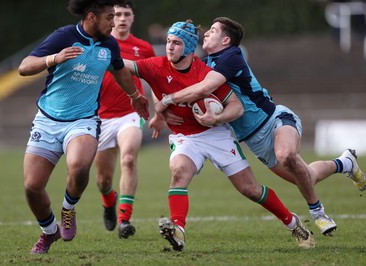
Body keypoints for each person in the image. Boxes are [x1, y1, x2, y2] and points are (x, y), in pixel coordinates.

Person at [155, 16, 366, 236]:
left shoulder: (231, 56)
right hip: (254, 141)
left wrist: (167, 101)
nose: (207, 33)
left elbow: (203, 88)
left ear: (226, 40)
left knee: (286, 155)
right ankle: (345, 163)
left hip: (275, 121)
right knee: (307, 176)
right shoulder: (206, 64)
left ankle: (318, 213)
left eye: (213, 30)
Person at [125, 19, 315, 251]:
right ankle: (178, 231)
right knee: (179, 172)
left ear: (188, 47)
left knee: (250, 190)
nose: (169, 47)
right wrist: (98, 55)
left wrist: (215, 118)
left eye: (175, 43)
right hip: (186, 137)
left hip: (216, 134)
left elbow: (236, 107)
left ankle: (293, 223)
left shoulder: (206, 74)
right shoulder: (156, 64)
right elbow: (129, 67)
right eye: (167, 42)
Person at [18, 0, 149, 254]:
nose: (113, 22)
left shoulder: (109, 44)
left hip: (84, 120)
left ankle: (68, 209)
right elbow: (24, 66)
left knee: (78, 168)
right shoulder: (64, 36)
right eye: (109, 17)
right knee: (32, 187)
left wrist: (134, 95)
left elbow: (120, 70)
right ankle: (49, 232)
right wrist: (53, 58)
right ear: (91, 17)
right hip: (47, 120)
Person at [94, 0, 155, 239]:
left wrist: (159, 111)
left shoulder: (143, 48)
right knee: (102, 179)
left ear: (132, 18)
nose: (121, 19)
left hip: (130, 114)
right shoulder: (98, 44)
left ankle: (124, 219)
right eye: (116, 14)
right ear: (110, 17)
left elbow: (155, 80)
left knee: (128, 159)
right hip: (100, 118)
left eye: (126, 14)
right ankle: (109, 201)